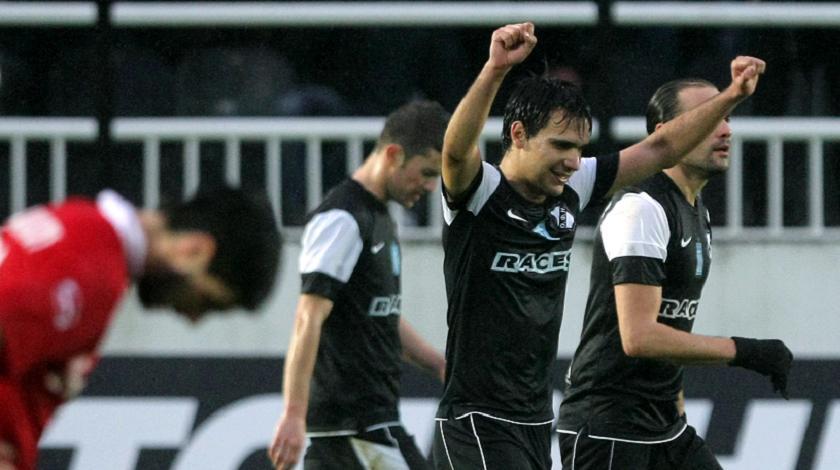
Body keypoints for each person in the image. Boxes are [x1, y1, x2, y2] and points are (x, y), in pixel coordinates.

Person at [431, 22, 766, 470]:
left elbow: (661, 148)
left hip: (535, 421)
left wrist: (732, 96)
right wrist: (494, 70)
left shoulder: (573, 187)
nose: (573, 161)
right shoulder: (481, 194)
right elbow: (455, 151)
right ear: (518, 135)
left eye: (580, 148)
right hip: (476, 421)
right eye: (561, 146)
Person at [555, 78, 793, 469]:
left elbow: (672, 325)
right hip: (609, 428)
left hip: (664, 425)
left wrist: (675, 406)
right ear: (667, 132)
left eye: (727, 117)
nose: (725, 130)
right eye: (708, 118)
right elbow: (639, 336)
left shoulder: (696, 211)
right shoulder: (642, 208)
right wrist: (746, 351)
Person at [0, 187, 282, 470]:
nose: (194, 318)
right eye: (208, 303)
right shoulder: (95, 264)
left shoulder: (82, 227)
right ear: (195, 251)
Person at [268, 100, 450, 470]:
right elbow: (307, 317)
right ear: (394, 155)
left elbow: (378, 313)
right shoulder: (342, 218)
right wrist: (293, 414)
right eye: (427, 172)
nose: (432, 186)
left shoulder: (378, 216)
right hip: (353, 426)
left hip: (363, 423)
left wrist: (439, 365)